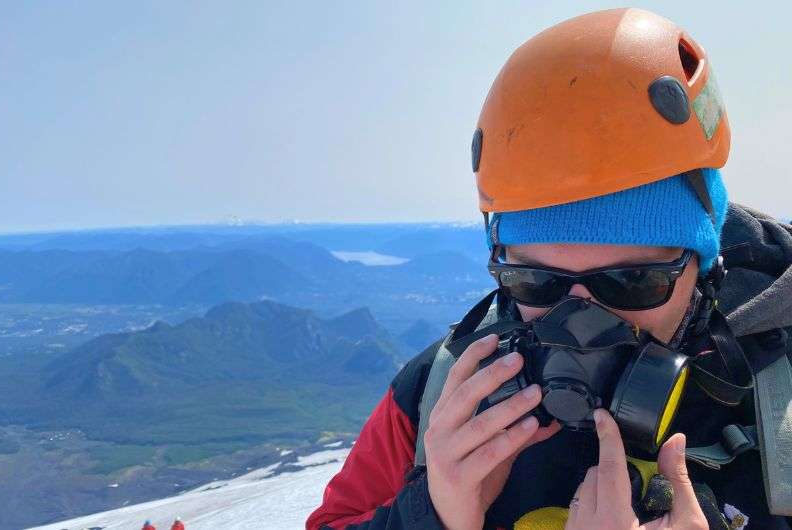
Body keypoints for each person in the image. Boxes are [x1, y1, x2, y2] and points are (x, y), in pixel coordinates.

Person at [308, 7, 792, 530]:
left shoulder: (780, 396)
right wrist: (431, 514)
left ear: (707, 267)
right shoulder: (440, 395)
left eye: (633, 281)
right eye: (536, 281)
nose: (579, 320)